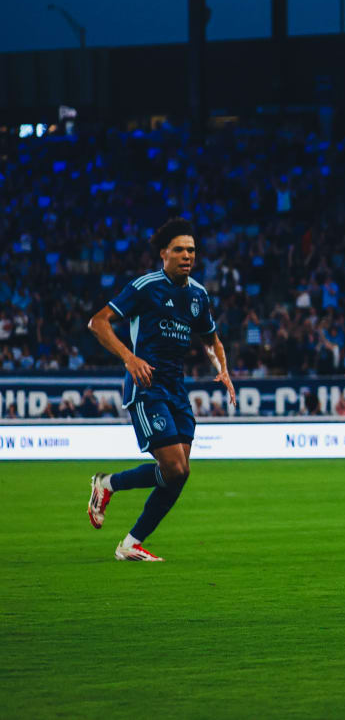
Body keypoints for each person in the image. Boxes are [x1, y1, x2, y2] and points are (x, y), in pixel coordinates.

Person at [84, 217, 236, 562]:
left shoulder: (198, 295)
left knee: (179, 474)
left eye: (192, 250)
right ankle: (107, 485)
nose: (187, 256)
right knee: (175, 469)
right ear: (164, 254)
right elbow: (98, 322)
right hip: (147, 385)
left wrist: (223, 369)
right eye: (180, 250)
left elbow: (210, 340)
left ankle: (130, 543)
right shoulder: (146, 286)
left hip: (176, 389)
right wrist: (128, 358)